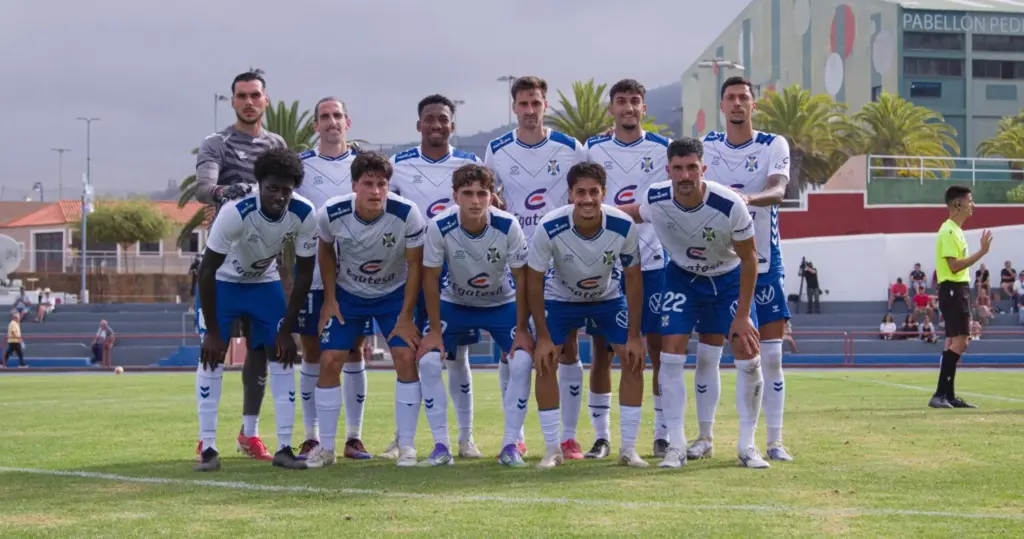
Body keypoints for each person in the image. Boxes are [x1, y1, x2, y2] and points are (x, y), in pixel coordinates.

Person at [619, 137, 766, 469]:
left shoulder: (730, 205)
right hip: (682, 278)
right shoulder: (657, 197)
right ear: (668, 170)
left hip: (727, 281)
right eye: (678, 169)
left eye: (691, 168)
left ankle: (747, 445)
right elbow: (633, 213)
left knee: (747, 349)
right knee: (670, 352)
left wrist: (742, 315)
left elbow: (750, 258)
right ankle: (677, 446)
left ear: (703, 169)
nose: (684, 175)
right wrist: (590, 210)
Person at [193, 147, 317, 472]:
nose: (279, 196)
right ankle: (208, 449)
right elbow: (206, 270)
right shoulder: (235, 212)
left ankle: (285, 448)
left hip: (264, 283)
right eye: (272, 188)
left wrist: (287, 328)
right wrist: (214, 333)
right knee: (211, 358)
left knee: (283, 357)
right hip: (223, 283)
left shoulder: (304, 213)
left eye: (286, 190)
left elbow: (305, 273)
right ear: (259, 183)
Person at [483, 75, 588, 459]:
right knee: (514, 345)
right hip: (514, 258)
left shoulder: (570, 148)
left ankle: (569, 436)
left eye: (536, 104)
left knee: (568, 345)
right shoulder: (496, 150)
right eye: (523, 104)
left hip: (561, 257)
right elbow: (491, 199)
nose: (529, 111)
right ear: (514, 107)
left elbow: (587, 192)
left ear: (545, 106)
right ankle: (518, 434)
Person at [304, 151, 425, 468]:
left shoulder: (407, 214)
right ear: (354, 185)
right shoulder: (331, 213)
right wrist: (330, 300)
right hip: (349, 295)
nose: (375, 191)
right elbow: (326, 250)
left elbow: (416, 266)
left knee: (405, 356)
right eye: (368, 184)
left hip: (393, 295)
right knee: (329, 359)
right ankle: (327, 449)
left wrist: (407, 315)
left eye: (382, 184)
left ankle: (407, 446)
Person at [527, 161, 647, 469]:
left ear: (604, 193)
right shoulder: (549, 227)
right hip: (561, 299)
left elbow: (633, 278)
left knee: (633, 358)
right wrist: (541, 337)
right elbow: (534, 281)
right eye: (580, 192)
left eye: (594, 192)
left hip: (606, 299)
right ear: (570, 195)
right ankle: (553, 448)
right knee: (545, 359)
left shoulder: (622, 225)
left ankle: (629, 449)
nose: (588, 199)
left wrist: (634, 335)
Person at [194, 71, 287, 461]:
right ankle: (207, 439)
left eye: (255, 95)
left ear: (266, 101)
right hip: (224, 263)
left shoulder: (277, 144)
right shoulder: (216, 142)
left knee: (263, 350)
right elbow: (203, 188)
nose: (249, 102)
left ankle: (250, 433)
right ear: (232, 101)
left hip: (265, 263)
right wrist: (223, 191)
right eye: (242, 96)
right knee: (213, 347)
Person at [700, 76, 794, 462]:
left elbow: (778, 191)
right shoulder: (706, 147)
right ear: (721, 106)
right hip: (717, 265)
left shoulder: (774, 145)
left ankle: (773, 441)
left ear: (753, 105)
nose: (737, 104)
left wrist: (747, 199)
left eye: (744, 98)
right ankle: (704, 438)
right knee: (708, 355)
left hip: (765, 262)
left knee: (769, 356)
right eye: (730, 98)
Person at [384, 94, 483, 460]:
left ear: (452, 125)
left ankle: (465, 439)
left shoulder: (470, 163)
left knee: (459, 359)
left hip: (456, 274)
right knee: (407, 354)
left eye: (443, 119)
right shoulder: (399, 164)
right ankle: (402, 436)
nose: (436, 125)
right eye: (429, 119)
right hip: (412, 272)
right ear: (419, 124)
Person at [578, 79, 670, 459]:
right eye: (621, 102)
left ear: (644, 108)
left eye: (635, 101)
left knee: (660, 352)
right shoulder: (592, 149)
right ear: (611, 109)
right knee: (603, 352)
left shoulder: (664, 149)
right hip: (609, 266)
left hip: (656, 261)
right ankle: (602, 436)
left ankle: (662, 432)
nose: (628, 107)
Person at [418, 164, 533, 467]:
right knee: (429, 360)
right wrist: (432, 330)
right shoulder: (439, 226)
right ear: (455, 196)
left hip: (501, 303)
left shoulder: (508, 226)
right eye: (467, 193)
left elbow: (523, 278)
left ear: (492, 197)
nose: (475, 200)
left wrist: (522, 328)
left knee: (522, 359)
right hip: (455, 303)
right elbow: (429, 278)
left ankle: (510, 446)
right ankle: (441, 446)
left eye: (482, 193)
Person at [291, 97, 372, 461]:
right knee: (311, 351)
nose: (331, 122)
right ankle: (311, 437)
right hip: (311, 272)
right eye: (324, 116)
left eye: (337, 115)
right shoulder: (301, 166)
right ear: (315, 125)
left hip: (356, 274)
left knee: (353, 350)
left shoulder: (362, 165)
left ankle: (354, 437)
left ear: (348, 122)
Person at [930, 185, 991, 409]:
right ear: (958, 204)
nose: (973, 205)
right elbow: (953, 266)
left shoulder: (955, 231)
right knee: (962, 341)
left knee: (954, 342)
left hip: (957, 290)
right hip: (953, 288)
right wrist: (981, 253)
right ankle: (939, 394)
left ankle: (949, 395)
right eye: (970, 201)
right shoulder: (948, 231)